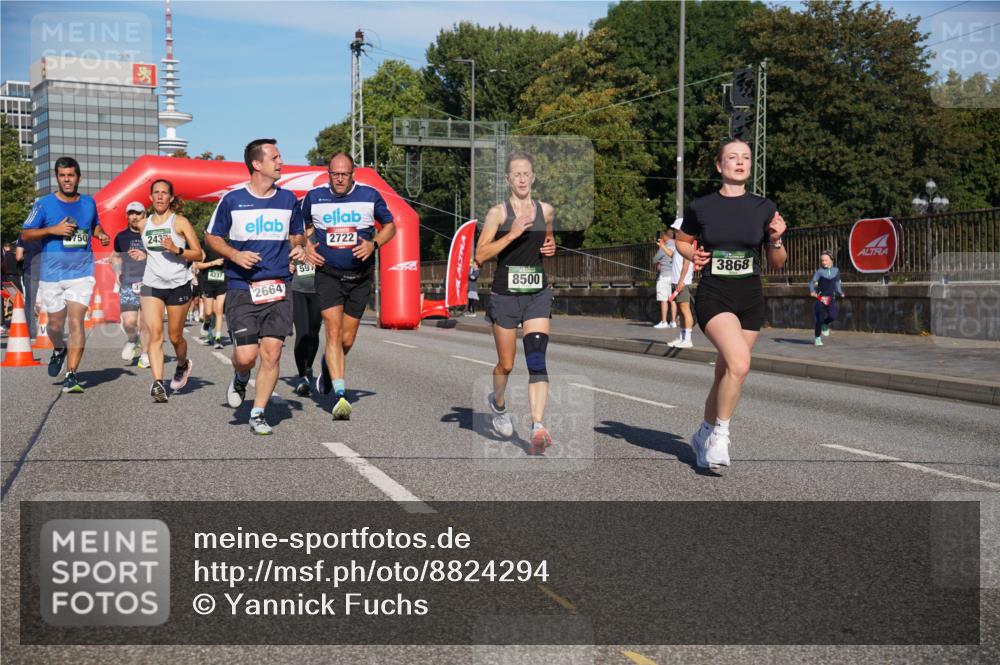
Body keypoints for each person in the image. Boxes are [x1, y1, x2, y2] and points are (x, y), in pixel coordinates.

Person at [674, 139, 787, 470]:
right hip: (714, 294)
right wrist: (691, 253)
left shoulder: (764, 207)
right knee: (740, 364)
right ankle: (721, 435)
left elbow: (777, 263)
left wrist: (777, 239)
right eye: (732, 157)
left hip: (750, 299)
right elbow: (680, 241)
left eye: (746, 158)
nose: (740, 162)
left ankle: (702, 434)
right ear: (719, 165)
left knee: (726, 373)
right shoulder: (702, 207)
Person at [205, 138, 307, 434]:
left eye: (280, 157)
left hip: (278, 286)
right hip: (241, 287)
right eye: (275, 157)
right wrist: (235, 254)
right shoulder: (232, 201)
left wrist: (298, 247)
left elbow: (297, 235)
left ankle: (258, 412)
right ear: (257, 164)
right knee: (247, 356)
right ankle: (240, 377)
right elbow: (211, 237)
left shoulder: (288, 200)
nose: (281, 162)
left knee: (272, 352)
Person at [298, 151, 396, 420]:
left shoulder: (369, 195)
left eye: (344, 174)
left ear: (353, 174)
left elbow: (390, 226)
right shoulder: (314, 197)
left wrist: (374, 243)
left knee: (347, 339)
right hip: (327, 274)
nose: (339, 179)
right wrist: (306, 246)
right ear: (328, 173)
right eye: (335, 174)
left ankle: (329, 367)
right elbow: (299, 227)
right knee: (332, 331)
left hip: (360, 277)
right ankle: (340, 396)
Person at [475, 151, 557, 455]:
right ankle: (498, 404)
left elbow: (548, 240)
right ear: (508, 179)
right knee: (506, 364)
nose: (522, 179)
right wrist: (511, 235)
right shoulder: (498, 213)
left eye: (527, 174)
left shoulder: (545, 210)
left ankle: (537, 426)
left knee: (536, 358)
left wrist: (550, 245)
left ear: (533, 177)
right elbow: (480, 255)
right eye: (516, 174)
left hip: (537, 293)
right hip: (505, 296)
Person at [20, 156, 110, 393]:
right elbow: (25, 234)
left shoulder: (89, 203)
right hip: (51, 274)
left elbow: (95, 226)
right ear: (57, 178)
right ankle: (59, 349)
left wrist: (100, 234)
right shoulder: (44, 204)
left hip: (81, 273)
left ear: (78, 177)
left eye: (70, 175)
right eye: (62, 176)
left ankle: (71, 375)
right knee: (54, 325)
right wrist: (53, 229)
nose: (67, 180)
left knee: (76, 320)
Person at [138, 179, 204, 402]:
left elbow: (199, 254)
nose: (159, 197)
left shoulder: (180, 222)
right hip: (151, 284)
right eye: (155, 193)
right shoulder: (143, 224)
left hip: (178, 284)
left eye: (164, 193)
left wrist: (176, 249)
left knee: (175, 336)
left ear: (171, 198)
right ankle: (158, 383)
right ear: (150, 198)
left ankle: (183, 364)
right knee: (155, 334)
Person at [112, 201, 151, 367]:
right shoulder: (121, 237)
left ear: (145, 215)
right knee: (129, 322)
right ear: (127, 216)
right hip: (128, 282)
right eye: (131, 213)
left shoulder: (151, 234)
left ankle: (145, 354)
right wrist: (117, 271)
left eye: (138, 213)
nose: (134, 217)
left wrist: (146, 256)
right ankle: (132, 338)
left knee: (145, 322)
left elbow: (163, 256)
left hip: (150, 281)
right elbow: (115, 256)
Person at [289, 227, 322, 396]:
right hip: (297, 289)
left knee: (313, 333)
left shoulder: (321, 234)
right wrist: (287, 266)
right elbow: (281, 257)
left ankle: (309, 367)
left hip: (318, 290)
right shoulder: (293, 237)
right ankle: (302, 376)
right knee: (302, 333)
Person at [193, 236, 228, 348]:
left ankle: (218, 339)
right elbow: (198, 265)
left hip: (222, 281)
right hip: (208, 282)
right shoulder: (203, 245)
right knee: (208, 312)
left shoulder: (226, 244)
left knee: (219, 311)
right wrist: (214, 263)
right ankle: (207, 324)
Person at [667, 219, 695, 347]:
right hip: (676, 280)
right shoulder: (678, 244)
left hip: (682, 282)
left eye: (677, 230)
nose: (675, 232)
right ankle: (682, 336)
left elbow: (686, 264)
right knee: (680, 310)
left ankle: (687, 339)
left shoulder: (686, 245)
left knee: (685, 310)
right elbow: (674, 257)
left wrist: (681, 281)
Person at [809, 250, 845, 346]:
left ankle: (825, 324)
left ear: (831, 260)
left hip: (831, 299)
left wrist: (840, 292)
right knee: (819, 320)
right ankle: (817, 338)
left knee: (833, 316)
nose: (823, 262)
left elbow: (837, 283)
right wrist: (812, 291)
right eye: (822, 261)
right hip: (820, 299)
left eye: (825, 260)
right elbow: (812, 282)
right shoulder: (820, 272)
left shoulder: (836, 271)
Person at [652, 229, 675, 329]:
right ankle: (673, 321)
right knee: (673, 300)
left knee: (664, 300)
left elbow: (654, 260)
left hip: (664, 275)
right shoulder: (678, 246)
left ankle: (664, 321)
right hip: (674, 276)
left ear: (665, 236)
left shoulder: (664, 247)